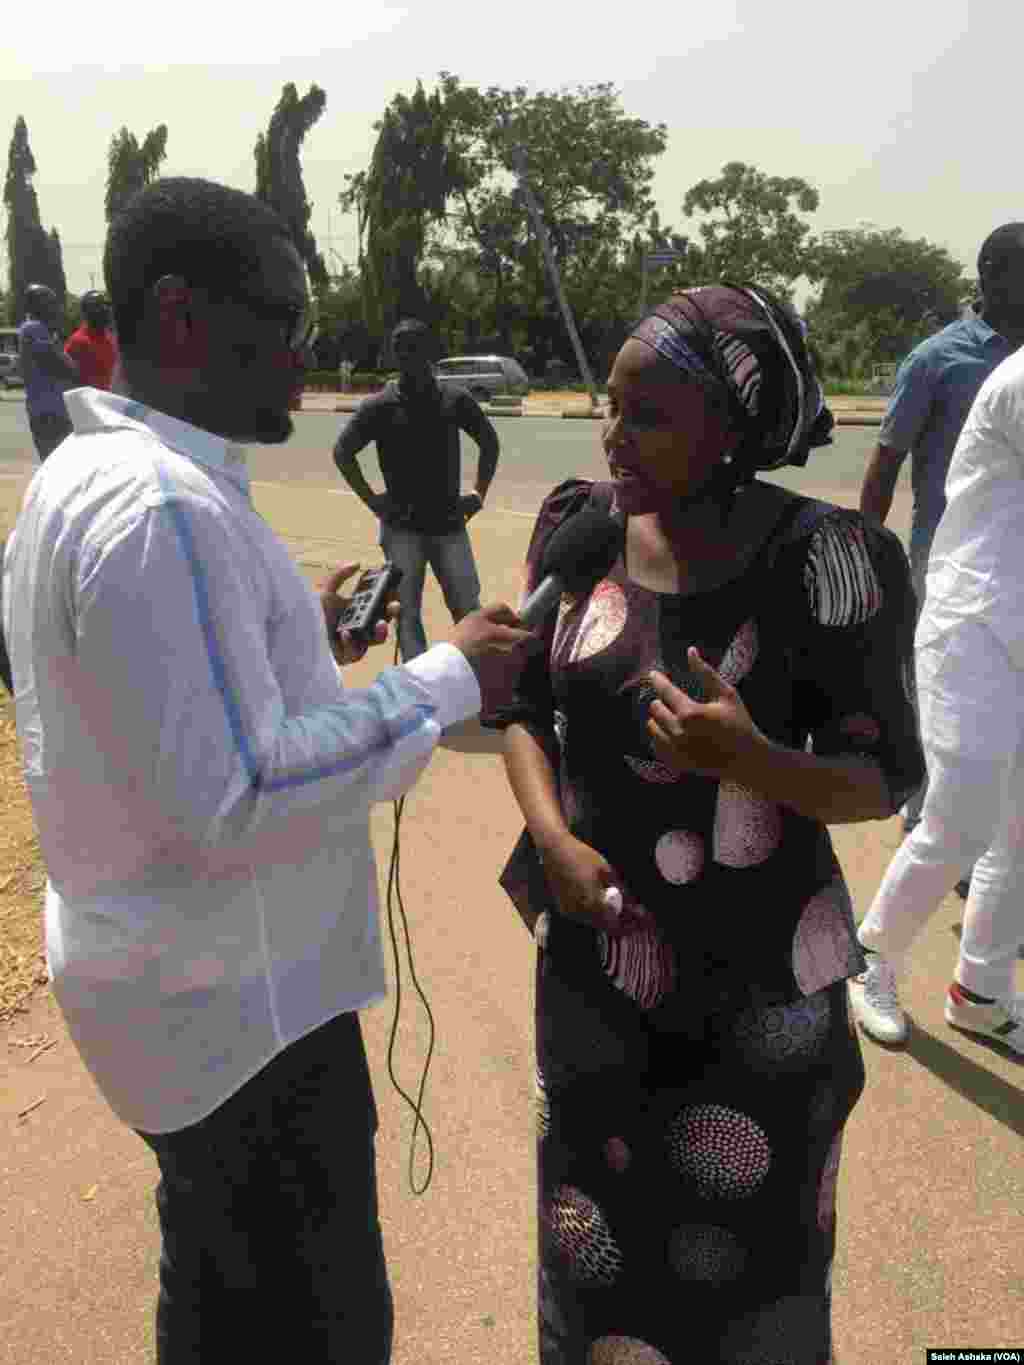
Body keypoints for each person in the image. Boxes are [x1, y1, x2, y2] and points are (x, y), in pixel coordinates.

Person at [1, 177, 534, 1364]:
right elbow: (238, 797)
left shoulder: (88, 477)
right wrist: (447, 676)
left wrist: (303, 639)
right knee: (314, 1323)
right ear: (180, 312)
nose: (305, 353)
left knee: (216, 1289)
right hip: (239, 1016)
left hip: (167, 988)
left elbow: (147, 701)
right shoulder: (163, 510)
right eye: (285, 321)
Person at [489, 285, 924, 1364]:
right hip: (595, 981)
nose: (612, 434)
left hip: (757, 1006)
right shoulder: (580, 526)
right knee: (593, 1253)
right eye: (611, 406)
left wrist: (753, 761)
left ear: (732, 427)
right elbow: (522, 709)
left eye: (647, 415)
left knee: (753, 1276)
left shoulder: (833, 560)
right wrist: (552, 839)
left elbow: (883, 779)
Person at [849, 346, 1024, 1051]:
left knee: (1019, 827)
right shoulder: (1021, 379)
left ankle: (981, 991)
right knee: (961, 818)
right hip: (974, 626)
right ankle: (870, 956)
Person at [859, 222, 1024, 837]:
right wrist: (865, 556)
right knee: (952, 697)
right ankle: (929, 822)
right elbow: (885, 462)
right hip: (951, 564)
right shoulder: (938, 359)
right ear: (993, 276)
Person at [333, 318, 499, 660]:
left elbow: (489, 442)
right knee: (407, 616)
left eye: (414, 347)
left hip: (449, 527)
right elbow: (342, 452)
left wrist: (478, 494)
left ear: (429, 352)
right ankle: (418, 682)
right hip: (401, 531)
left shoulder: (455, 399)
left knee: (468, 611)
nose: (406, 354)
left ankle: (476, 675)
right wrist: (372, 501)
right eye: (400, 348)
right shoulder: (379, 406)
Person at [16, 282, 79, 460]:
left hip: (53, 411)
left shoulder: (43, 331)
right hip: (48, 413)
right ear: (39, 305)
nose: (55, 308)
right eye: (50, 303)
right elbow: (59, 366)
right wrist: (71, 368)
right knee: (59, 462)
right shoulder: (34, 328)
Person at [64, 288, 119, 390]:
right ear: (85, 312)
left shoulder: (111, 337)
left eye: (106, 304)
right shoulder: (77, 342)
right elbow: (68, 380)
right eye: (97, 305)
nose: (104, 308)